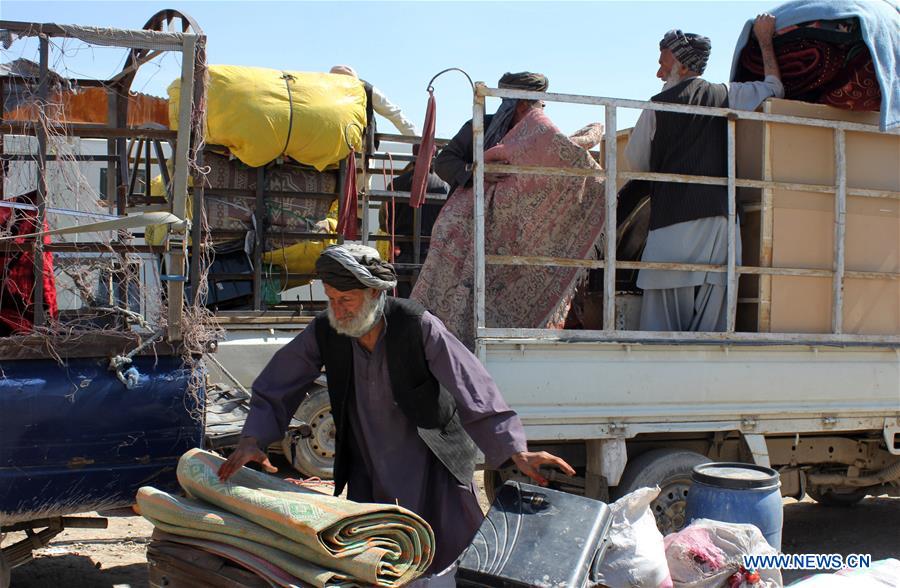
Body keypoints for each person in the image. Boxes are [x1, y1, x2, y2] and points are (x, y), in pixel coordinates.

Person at [218, 244, 575, 579]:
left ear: (375, 293)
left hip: (433, 463)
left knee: (454, 559)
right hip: (370, 466)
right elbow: (279, 381)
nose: (338, 310)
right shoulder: (326, 331)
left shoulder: (416, 325)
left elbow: (473, 386)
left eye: (347, 300)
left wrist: (516, 451)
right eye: (331, 300)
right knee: (377, 558)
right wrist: (255, 437)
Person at [624, 14, 783, 332]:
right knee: (712, 332)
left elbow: (637, 162)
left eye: (662, 64)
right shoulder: (729, 95)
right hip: (719, 228)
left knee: (661, 330)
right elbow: (774, 88)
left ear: (682, 66)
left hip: (671, 231)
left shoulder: (657, 106)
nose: (658, 73)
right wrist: (765, 39)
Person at [433, 71, 549, 195]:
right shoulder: (479, 127)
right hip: (475, 210)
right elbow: (443, 162)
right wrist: (477, 173)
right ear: (522, 105)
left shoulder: (538, 139)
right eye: (541, 106)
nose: (542, 111)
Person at [330, 64, 418, 137]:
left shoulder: (368, 90)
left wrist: (417, 138)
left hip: (362, 147)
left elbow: (393, 113)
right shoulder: (324, 92)